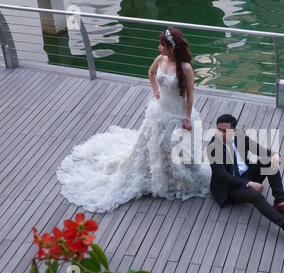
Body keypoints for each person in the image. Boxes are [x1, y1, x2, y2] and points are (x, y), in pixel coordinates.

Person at [56, 28, 211, 213]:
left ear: (171, 47)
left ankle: (178, 179)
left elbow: (191, 94)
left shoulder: (185, 67)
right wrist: (156, 90)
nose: (159, 47)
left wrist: (187, 118)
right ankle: (158, 177)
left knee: (178, 150)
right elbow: (151, 73)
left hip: (178, 114)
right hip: (160, 111)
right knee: (155, 147)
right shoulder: (160, 60)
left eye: (162, 44)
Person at [207, 114, 284, 233]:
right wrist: (249, 183)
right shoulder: (213, 148)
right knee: (255, 196)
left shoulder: (240, 136)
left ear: (234, 131)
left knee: (270, 162)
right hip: (230, 188)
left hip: (246, 173)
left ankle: (280, 203)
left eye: (225, 131)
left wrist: (275, 156)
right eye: (219, 130)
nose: (221, 134)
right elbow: (222, 176)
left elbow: (258, 149)